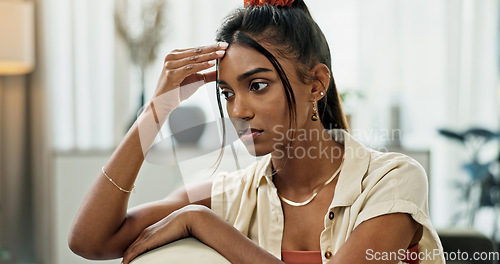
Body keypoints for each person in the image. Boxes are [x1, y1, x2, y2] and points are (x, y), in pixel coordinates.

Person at [69, 0, 445, 263]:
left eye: (259, 85)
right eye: (227, 92)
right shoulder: (232, 195)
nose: (238, 110)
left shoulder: (392, 181)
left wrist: (203, 223)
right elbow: (89, 240)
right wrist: (156, 110)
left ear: (316, 84)